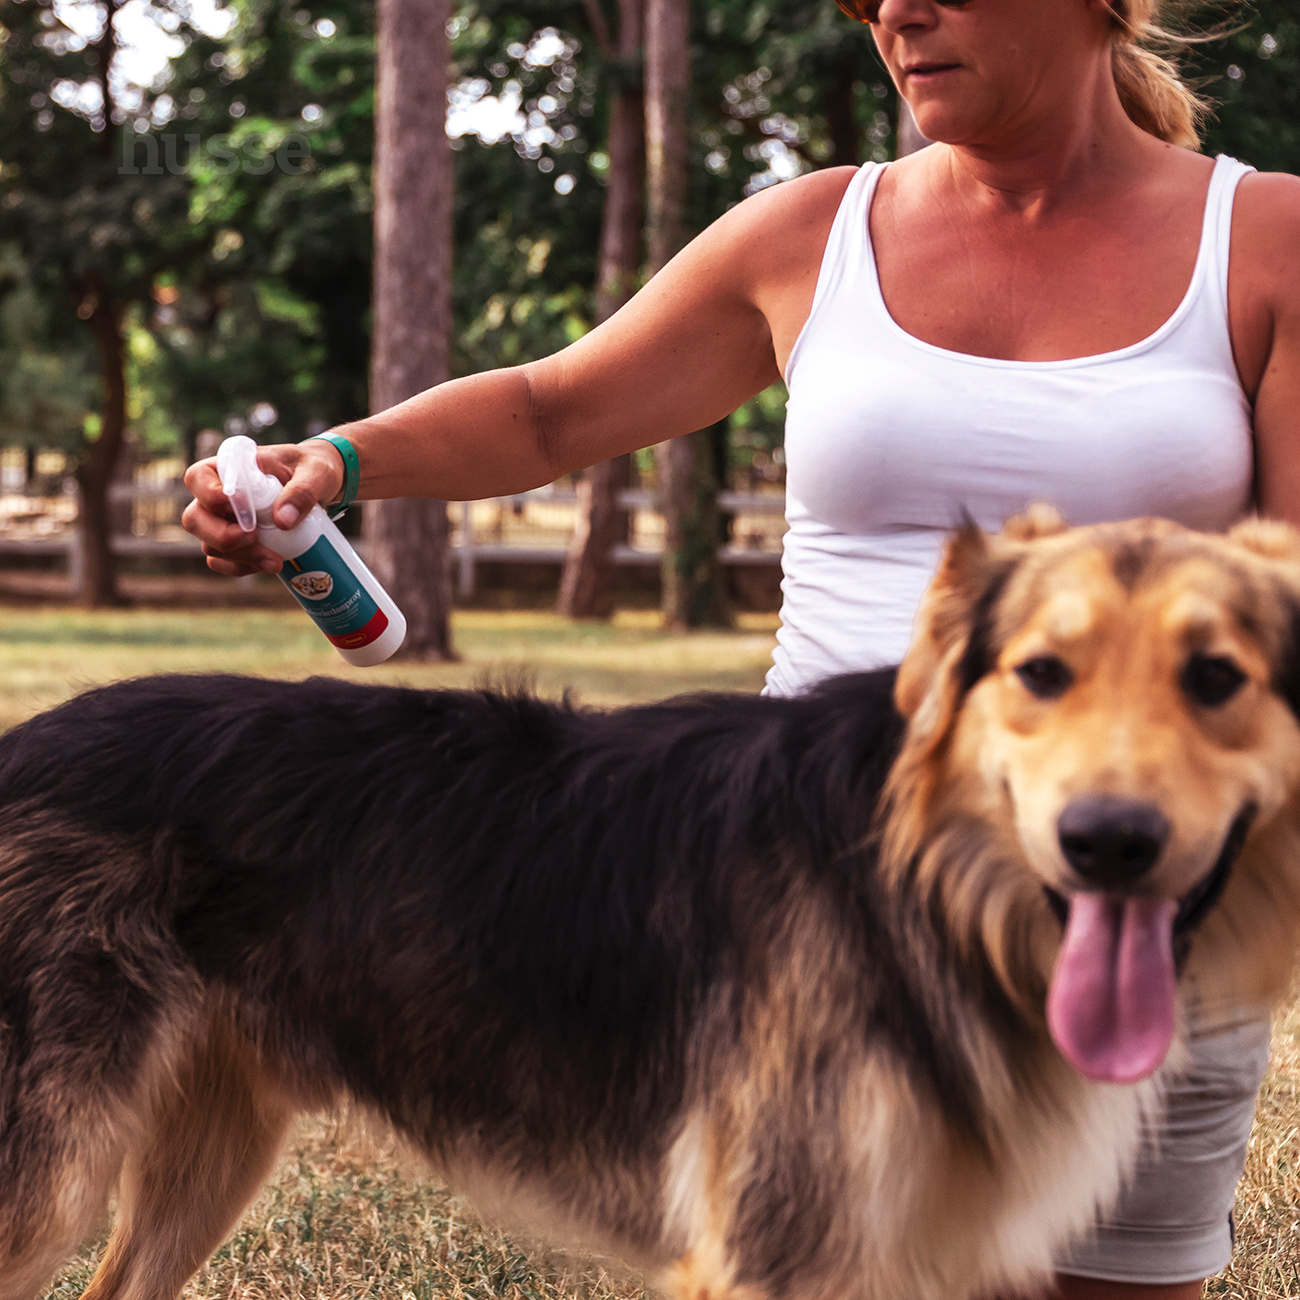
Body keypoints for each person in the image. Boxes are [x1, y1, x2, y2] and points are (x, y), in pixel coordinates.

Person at [184, 0, 1300, 1294]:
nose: (895, 12)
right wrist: (336, 461)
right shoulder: (814, 232)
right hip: (819, 882)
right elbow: (556, 408)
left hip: (1139, 887)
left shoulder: (1263, 236)